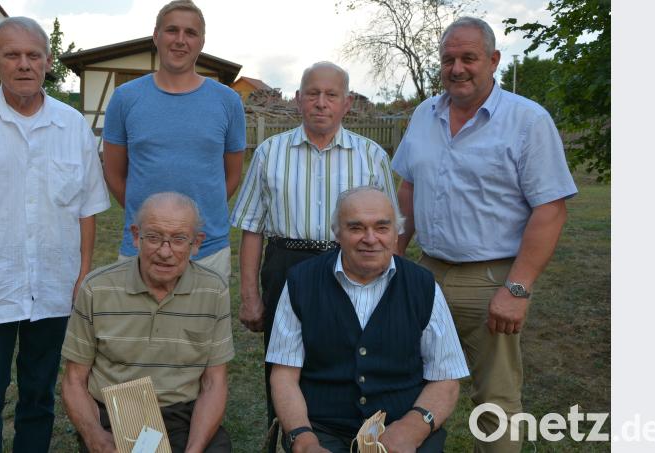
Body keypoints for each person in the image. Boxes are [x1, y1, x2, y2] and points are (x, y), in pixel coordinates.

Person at [390, 16, 578, 452]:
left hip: (491, 278)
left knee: (494, 401)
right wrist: (396, 256)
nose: (457, 68)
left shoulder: (527, 121)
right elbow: (408, 187)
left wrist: (518, 287)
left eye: (469, 58)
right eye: (449, 59)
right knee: (409, 386)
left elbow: (550, 209)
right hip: (425, 273)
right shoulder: (424, 114)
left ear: (493, 60)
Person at [0, 16, 111, 452]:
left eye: (33, 55)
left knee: (39, 395)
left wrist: (82, 276)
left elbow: (87, 210)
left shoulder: (72, 127)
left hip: (54, 286)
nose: (24, 64)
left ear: (48, 62)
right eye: (12, 55)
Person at [230, 61, 399, 442]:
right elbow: (252, 228)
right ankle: (288, 440)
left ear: (347, 102)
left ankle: (352, 442)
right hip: (286, 265)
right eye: (312, 93)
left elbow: (388, 232)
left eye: (331, 95)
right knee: (283, 363)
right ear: (298, 100)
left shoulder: (371, 156)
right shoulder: (270, 152)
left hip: (354, 266)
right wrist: (250, 296)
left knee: (353, 360)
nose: (321, 103)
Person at [267, 187, 468, 453]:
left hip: (403, 425)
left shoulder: (423, 286)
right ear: (337, 234)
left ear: (397, 234)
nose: (370, 238)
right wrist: (304, 440)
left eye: (382, 228)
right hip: (323, 429)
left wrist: (413, 427)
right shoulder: (300, 282)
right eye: (356, 228)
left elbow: (446, 377)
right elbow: (283, 376)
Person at [61, 192, 234, 453]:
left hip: (183, 416)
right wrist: (97, 438)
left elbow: (214, 383)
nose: (165, 252)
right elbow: (74, 380)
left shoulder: (213, 290)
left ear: (196, 243)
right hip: (116, 414)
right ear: (135, 236)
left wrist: (194, 449)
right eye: (153, 237)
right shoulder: (97, 289)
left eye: (178, 239)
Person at [102, 0, 246, 281]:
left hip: (207, 248)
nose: (180, 40)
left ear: (201, 42)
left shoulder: (228, 101)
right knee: (136, 326)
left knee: (202, 326)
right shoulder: (125, 98)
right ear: (156, 36)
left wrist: (194, 218)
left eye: (190, 33)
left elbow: (232, 175)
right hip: (141, 247)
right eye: (172, 30)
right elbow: (114, 175)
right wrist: (151, 219)